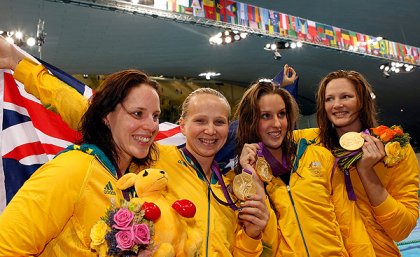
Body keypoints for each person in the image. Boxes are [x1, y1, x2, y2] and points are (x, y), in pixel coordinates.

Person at [0, 36, 272, 256]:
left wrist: (251, 235)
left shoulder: (232, 187)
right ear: (181, 125)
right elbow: (83, 108)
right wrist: (18, 61)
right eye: (200, 120)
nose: (210, 130)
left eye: (220, 122)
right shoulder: (155, 159)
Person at [0, 69, 162, 255]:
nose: (151, 126)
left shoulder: (130, 181)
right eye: (137, 113)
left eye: (155, 116)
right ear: (106, 116)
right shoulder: (74, 168)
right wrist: (19, 63)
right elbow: (5, 248)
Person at [236, 80, 375, 256]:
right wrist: (253, 178)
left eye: (281, 114)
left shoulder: (320, 157)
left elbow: (350, 224)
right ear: (250, 121)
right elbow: (260, 248)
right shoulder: (241, 181)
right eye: (265, 116)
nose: (277, 124)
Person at [293, 70, 419, 256]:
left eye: (346, 96)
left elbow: (402, 229)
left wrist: (367, 172)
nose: (337, 105)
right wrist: (284, 88)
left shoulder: (393, 147)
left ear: (362, 101)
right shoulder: (308, 142)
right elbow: (267, 129)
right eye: (329, 99)